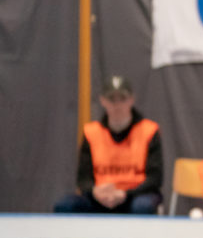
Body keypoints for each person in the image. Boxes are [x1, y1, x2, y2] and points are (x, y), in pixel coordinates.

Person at [55, 75, 163, 214]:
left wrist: (125, 193)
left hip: (135, 195)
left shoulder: (149, 130)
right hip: (100, 197)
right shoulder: (91, 132)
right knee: (66, 205)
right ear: (103, 101)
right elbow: (83, 179)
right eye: (112, 99)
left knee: (143, 206)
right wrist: (96, 192)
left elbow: (155, 179)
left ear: (131, 100)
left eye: (122, 99)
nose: (117, 105)